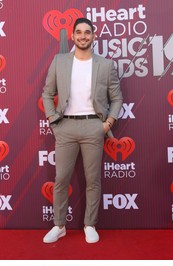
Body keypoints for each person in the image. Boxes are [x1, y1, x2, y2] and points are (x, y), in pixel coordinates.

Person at [42, 17, 123, 243]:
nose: (83, 36)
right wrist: (52, 119)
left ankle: (90, 224)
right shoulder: (59, 61)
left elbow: (116, 98)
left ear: (93, 36)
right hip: (65, 126)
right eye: (79, 32)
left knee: (93, 179)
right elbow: (47, 93)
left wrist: (107, 124)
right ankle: (59, 226)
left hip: (93, 127)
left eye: (87, 32)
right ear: (73, 36)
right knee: (61, 179)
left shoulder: (105, 65)